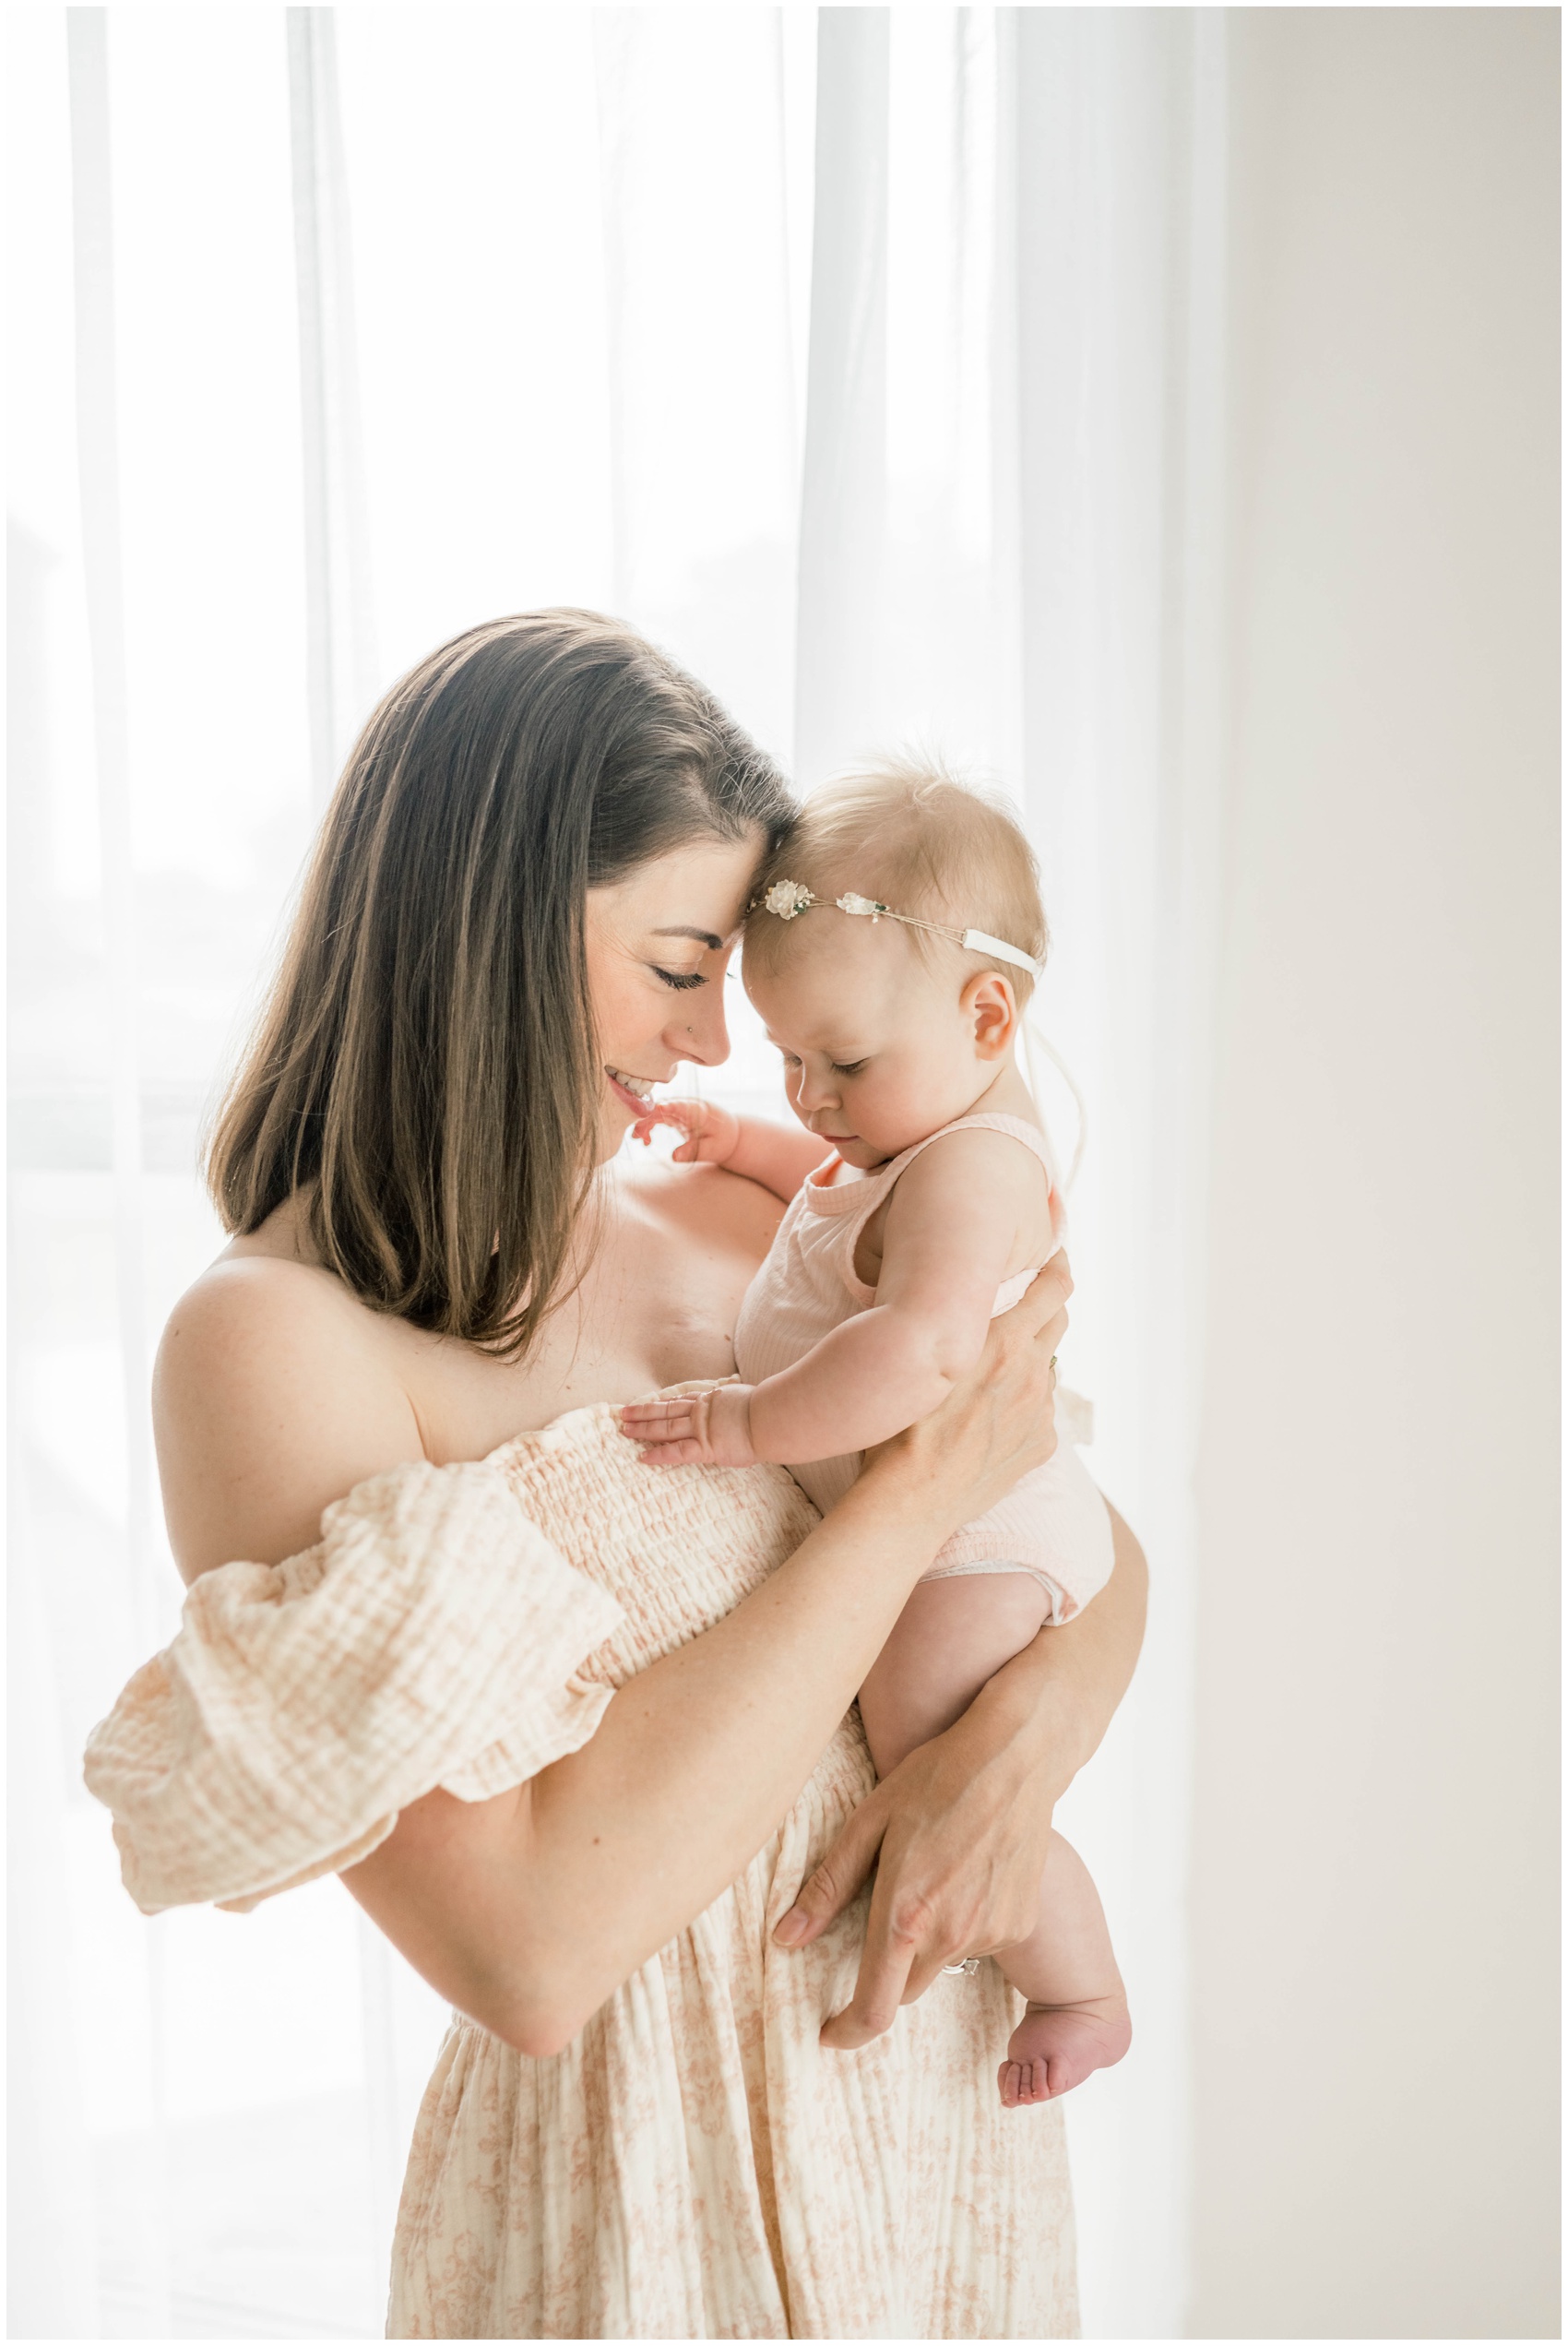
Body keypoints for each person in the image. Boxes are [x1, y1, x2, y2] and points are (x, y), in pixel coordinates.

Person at [83, 612, 1147, 2340]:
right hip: (643, 2199)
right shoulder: (275, 1346)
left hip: (940, 2129)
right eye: (675, 964)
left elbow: (1073, 1525)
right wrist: (894, 1503)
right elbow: (529, 1949)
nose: (720, 1037)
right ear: (486, 938)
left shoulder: (770, 1213)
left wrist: (1017, 1754)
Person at [622, 763, 1132, 2110]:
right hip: (952, 1511)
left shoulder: (977, 1165)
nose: (811, 1098)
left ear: (986, 1014)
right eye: (786, 1061)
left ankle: (1081, 1982)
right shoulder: (908, 1138)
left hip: (984, 1529)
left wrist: (748, 1423)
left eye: (840, 1062)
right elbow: (839, 1199)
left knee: (925, 1742)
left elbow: (921, 1346)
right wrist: (737, 1138)